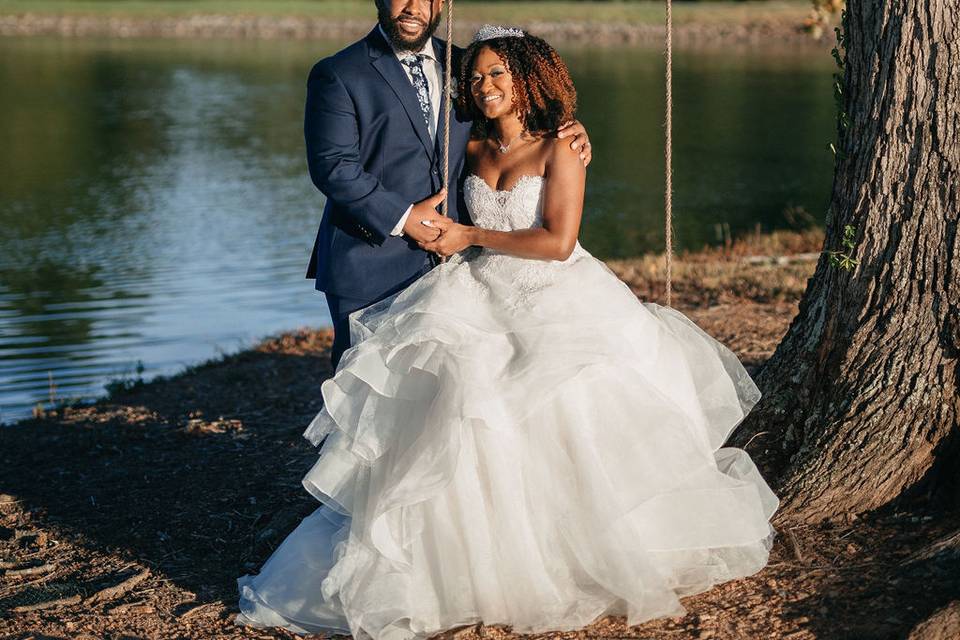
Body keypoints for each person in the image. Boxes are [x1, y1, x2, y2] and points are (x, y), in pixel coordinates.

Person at [238, 26, 778, 639]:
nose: (484, 85)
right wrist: (445, 230)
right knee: (460, 401)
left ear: (526, 78)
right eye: (477, 77)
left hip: (555, 291)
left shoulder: (559, 148)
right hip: (476, 285)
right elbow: (355, 165)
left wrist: (480, 225)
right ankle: (455, 556)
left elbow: (558, 241)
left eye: (498, 74)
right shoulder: (465, 146)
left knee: (563, 405)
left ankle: (572, 547)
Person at [304, 0, 592, 368]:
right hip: (369, 258)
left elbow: (512, 119)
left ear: (441, 4)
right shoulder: (339, 73)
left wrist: (570, 129)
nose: (413, 7)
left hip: (454, 266)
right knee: (366, 386)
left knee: (442, 391)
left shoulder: (467, 66)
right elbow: (333, 167)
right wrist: (403, 217)